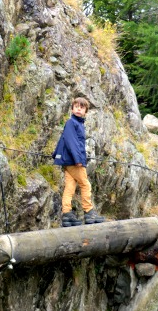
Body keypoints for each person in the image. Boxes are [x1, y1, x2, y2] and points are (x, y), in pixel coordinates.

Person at [53, 97, 105, 227]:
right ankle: (89, 212)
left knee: (70, 187)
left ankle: (67, 214)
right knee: (85, 184)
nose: (78, 109)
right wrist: (78, 160)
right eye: (76, 107)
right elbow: (72, 142)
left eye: (82, 107)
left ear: (86, 112)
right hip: (73, 161)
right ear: (72, 109)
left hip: (69, 161)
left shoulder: (79, 124)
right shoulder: (72, 122)